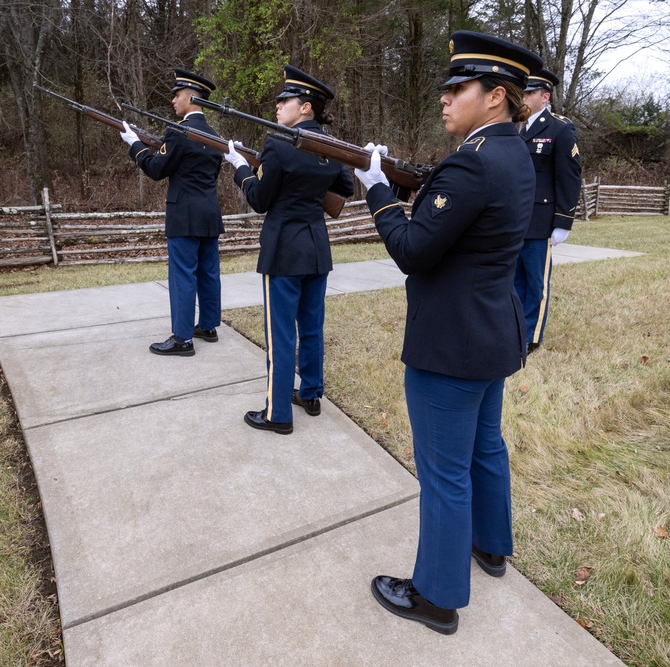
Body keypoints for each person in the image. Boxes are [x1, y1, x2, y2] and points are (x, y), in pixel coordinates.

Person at [353, 31, 542, 635]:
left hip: (451, 345)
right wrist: (415, 184)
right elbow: (461, 211)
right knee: (486, 448)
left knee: (443, 472)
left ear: (495, 97)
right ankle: (491, 547)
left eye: (457, 88)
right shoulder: (514, 152)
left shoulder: (475, 161)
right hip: (491, 334)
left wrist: (378, 191)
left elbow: (413, 248)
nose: (444, 98)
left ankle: (435, 596)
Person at [222, 65, 354, 435]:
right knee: (310, 327)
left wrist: (241, 169)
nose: (278, 106)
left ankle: (277, 413)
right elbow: (344, 186)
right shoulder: (330, 149)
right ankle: (310, 394)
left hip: (284, 251)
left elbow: (260, 200)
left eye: (286, 100)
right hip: (316, 249)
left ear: (306, 108)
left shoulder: (278, 144)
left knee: (281, 334)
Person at [119, 69, 224, 357]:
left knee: (183, 275)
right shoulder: (215, 136)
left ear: (192, 97)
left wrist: (135, 145)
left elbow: (155, 169)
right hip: (209, 213)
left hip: (184, 215)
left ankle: (182, 338)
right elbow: (210, 173)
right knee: (208, 272)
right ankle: (208, 326)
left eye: (176, 95)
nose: (173, 100)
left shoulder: (179, 132)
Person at [515, 68, 582, 353]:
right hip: (515, 219)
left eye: (530, 93)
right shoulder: (514, 127)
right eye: (523, 93)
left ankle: (531, 336)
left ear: (545, 96)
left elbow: (569, 176)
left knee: (536, 283)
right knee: (513, 280)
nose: (525, 98)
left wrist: (563, 221)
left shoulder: (560, 128)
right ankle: (515, 329)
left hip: (541, 220)